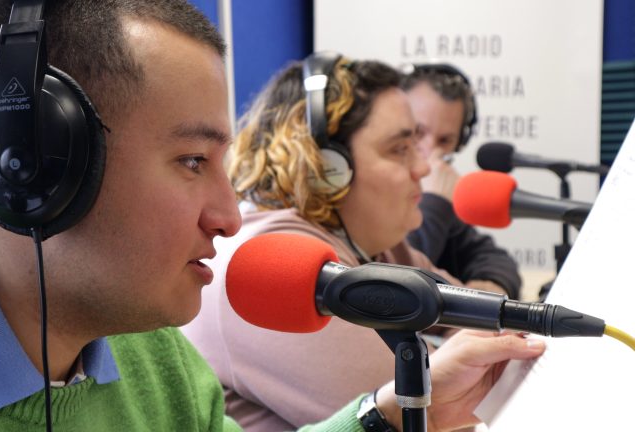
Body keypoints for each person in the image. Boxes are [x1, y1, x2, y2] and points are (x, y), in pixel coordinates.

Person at [0, 2, 544, 431]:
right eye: (193, 161)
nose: (229, 218)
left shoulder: (148, 347)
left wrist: (385, 417)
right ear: (38, 168)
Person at [182, 53, 536, 431]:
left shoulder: (374, 243)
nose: (424, 168)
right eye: (399, 149)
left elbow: (476, 324)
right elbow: (436, 412)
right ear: (325, 167)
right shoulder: (279, 265)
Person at [401, 64, 522, 299]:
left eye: (445, 140)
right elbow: (396, 277)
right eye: (418, 132)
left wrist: (492, 283)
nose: (430, 151)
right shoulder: (375, 189)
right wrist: (435, 201)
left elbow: (492, 258)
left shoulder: (439, 198)